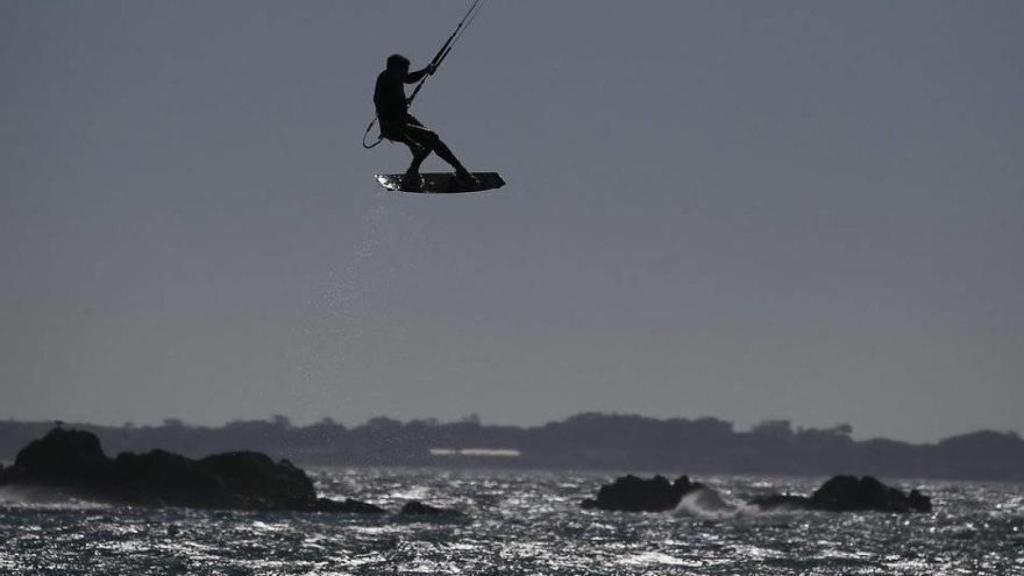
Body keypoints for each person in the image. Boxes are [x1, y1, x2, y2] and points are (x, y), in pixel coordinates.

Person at [374, 54, 476, 189]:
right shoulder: (385, 83)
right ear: (394, 70)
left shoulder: (393, 77)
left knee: (434, 140)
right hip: (394, 127)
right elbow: (388, 117)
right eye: (403, 71)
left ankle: (460, 170)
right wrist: (410, 142)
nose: (405, 74)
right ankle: (411, 174)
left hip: (402, 121)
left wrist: (425, 71)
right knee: (431, 138)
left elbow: (409, 79)